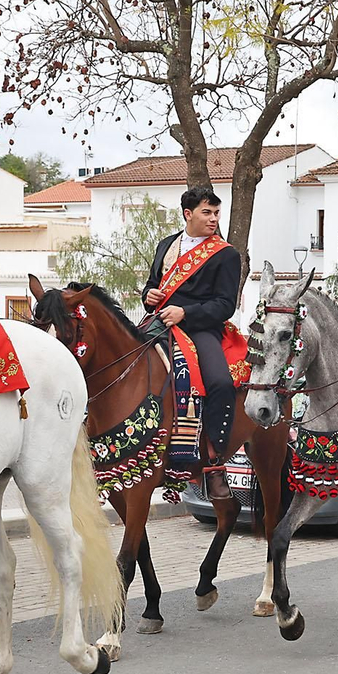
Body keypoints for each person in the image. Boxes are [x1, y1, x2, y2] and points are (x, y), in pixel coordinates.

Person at [144, 188, 242, 498]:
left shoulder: (226, 254)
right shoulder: (166, 245)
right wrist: (149, 296)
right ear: (188, 214)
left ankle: (214, 463)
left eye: (216, 213)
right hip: (159, 323)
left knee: (220, 383)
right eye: (206, 213)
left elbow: (226, 305)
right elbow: (151, 284)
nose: (213, 219)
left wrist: (186, 311)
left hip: (201, 328)